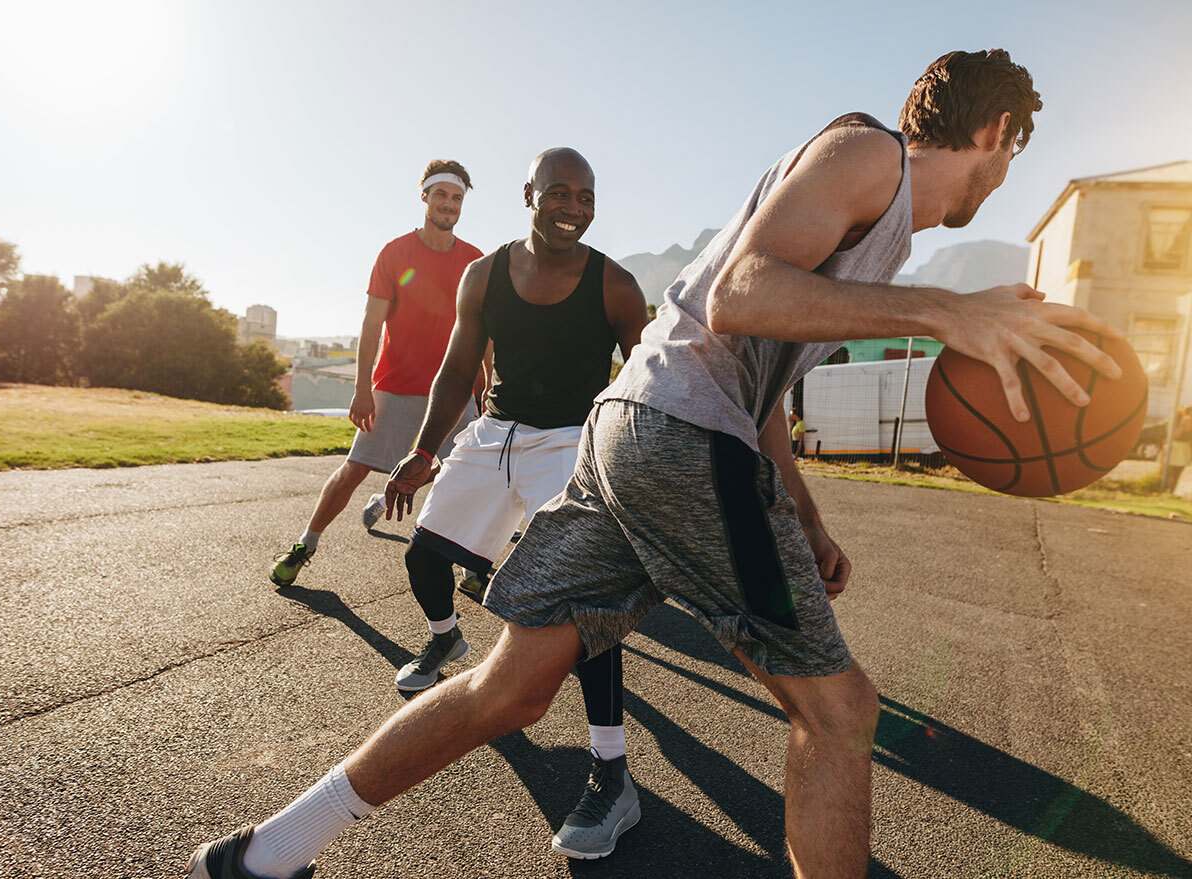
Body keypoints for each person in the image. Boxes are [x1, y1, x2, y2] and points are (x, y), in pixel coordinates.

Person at [189, 50, 1128, 879]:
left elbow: (750, 372)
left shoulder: (879, 234)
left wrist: (802, 511)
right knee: (840, 715)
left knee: (508, 691)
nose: (1003, 178)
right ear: (997, 130)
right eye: (1013, 156)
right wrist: (946, 311)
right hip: (683, 445)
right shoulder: (869, 153)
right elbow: (741, 295)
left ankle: (265, 851)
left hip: (639, 434)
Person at [386, 147, 649, 859]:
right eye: (559, 193)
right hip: (495, 432)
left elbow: (651, 377)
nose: (572, 207)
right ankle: (446, 636)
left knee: (583, 603)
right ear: (528, 194)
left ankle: (612, 771)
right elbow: (457, 368)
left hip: (569, 441)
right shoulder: (485, 273)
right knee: (425, 558)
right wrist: (424, 449)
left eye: (585, 197)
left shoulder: (615, 286)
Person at [268, 160, 482, 588]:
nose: (448, 204)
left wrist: (489, 387)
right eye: (441, 195)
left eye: (457, 198)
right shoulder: (395, 253)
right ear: (424, 197)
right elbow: (371, 323)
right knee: (354, 469)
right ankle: (304, 546)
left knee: (469, 471)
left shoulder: (476, 261)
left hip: (456, 390)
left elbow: (483, 333)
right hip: (396, 386)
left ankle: (471, 565)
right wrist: (362, 388)